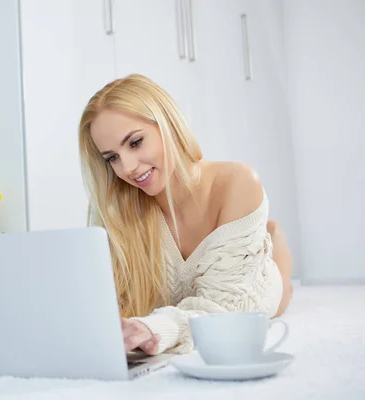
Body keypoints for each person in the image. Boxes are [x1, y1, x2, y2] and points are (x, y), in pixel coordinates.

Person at [78, 74, 294, 356]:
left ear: (167, 122)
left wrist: (158, 329)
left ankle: (273, 238)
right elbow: (108, 301)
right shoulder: (113, 207)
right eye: (112, 158)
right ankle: (265, 234)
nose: (127, 167)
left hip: (249, 294)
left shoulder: (236, 183)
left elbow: (223, 311)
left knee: (280, 288)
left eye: (135, 142)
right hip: (187, 298)